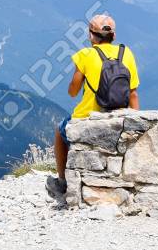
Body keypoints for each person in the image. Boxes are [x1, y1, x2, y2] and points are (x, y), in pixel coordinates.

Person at [49, 13, 140, 198]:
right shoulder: (126, 53)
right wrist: (134, 122)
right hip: (119, 118)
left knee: (60, 131)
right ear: (113, 36)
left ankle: (62, 182)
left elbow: (72, 91)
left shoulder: (85, 55)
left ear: (91, 36)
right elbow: (133, 93)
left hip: (87, 119)